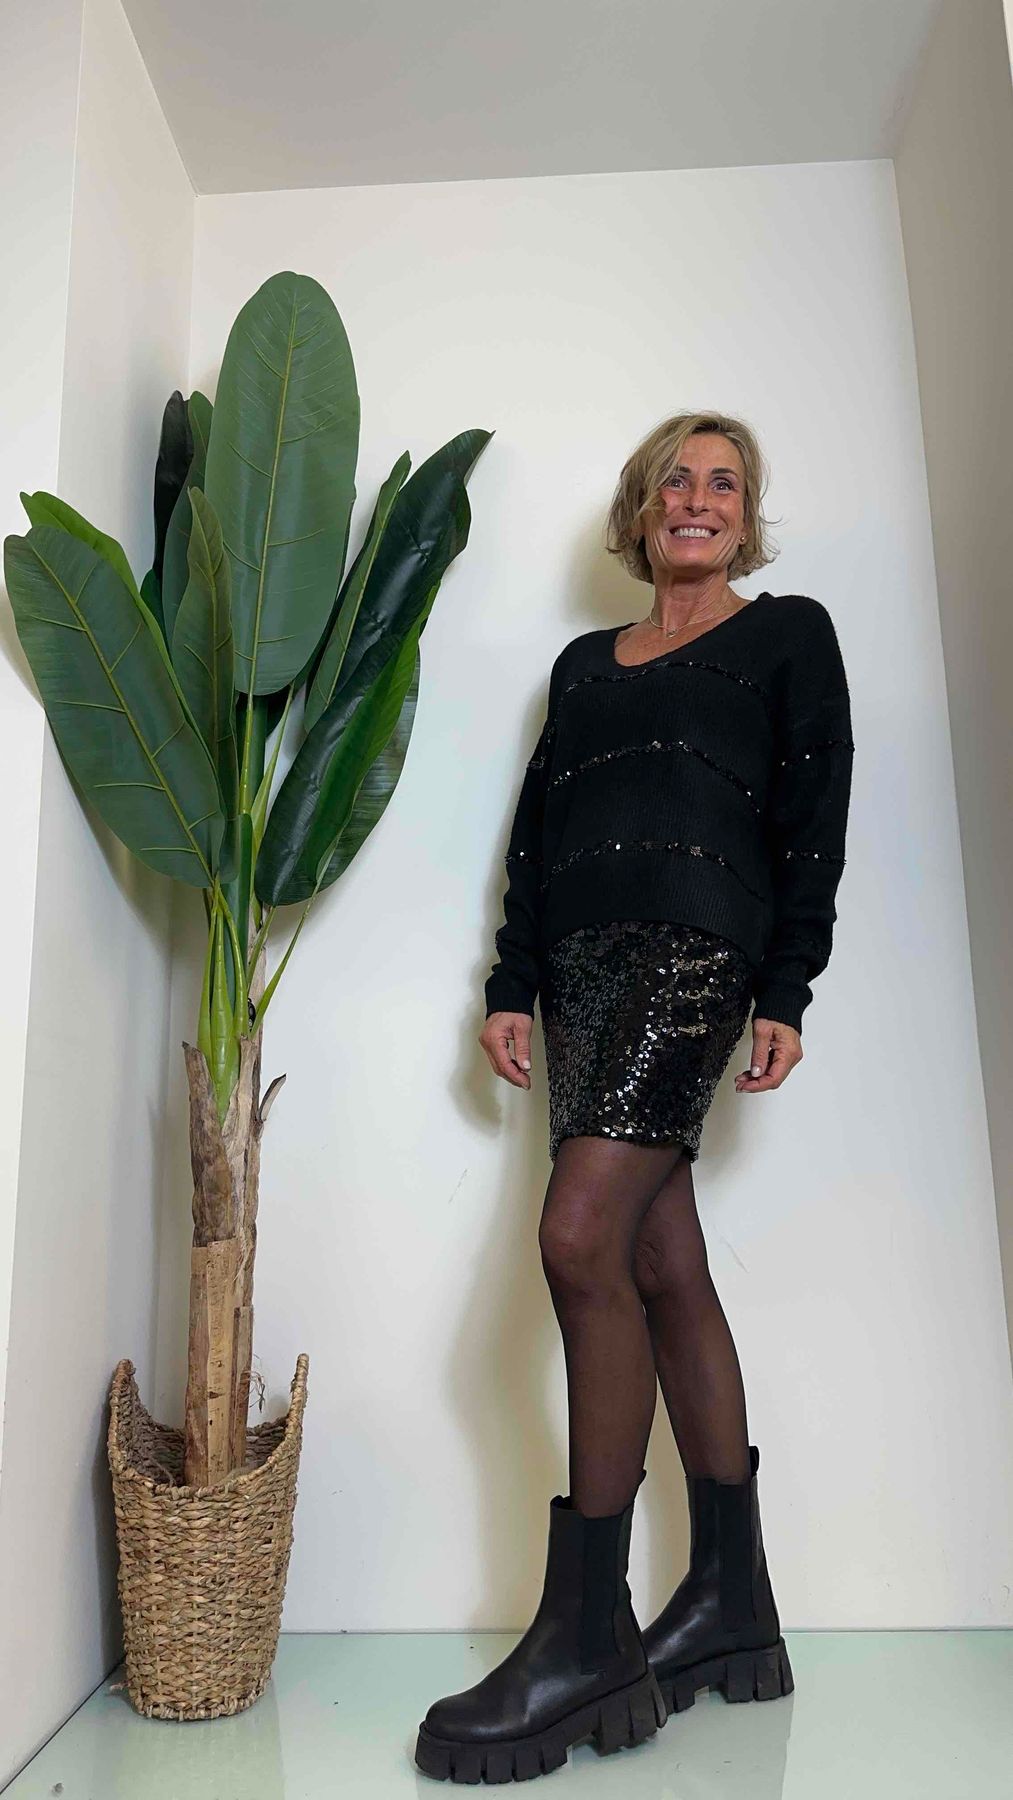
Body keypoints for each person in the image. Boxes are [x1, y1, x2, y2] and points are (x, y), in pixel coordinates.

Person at [414, 411, 854, 1784]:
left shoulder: (788, 637)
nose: (698, 498)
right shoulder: (581, 666)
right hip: (579, 974)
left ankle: (586, 1635)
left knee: (575, 1239)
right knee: (661, 1265)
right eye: (677, 478)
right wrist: (511, 980)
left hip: (691, 958)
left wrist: (784, 988)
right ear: (641, 506)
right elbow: (537, 833)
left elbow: (812, 825)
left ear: (746, 516)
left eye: (724, 483)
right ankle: (730, 1603)